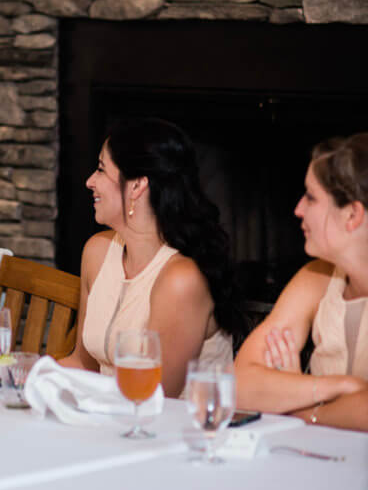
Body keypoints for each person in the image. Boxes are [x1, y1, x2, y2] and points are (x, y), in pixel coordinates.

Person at [59, 118, 240, 398]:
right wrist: (26, 377)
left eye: (100, 170)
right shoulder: (97, 252)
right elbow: (83, 364)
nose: (89, 181)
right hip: (110, 418)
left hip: (176, 432)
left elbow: (154, 396)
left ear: (137, 186)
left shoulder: (181, 280)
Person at [235, 134, 368, 431]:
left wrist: (303, 408)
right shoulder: (316, 278)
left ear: (352, 214)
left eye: (311, 197)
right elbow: (241, 385)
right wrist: (342, 386)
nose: (298, 209)